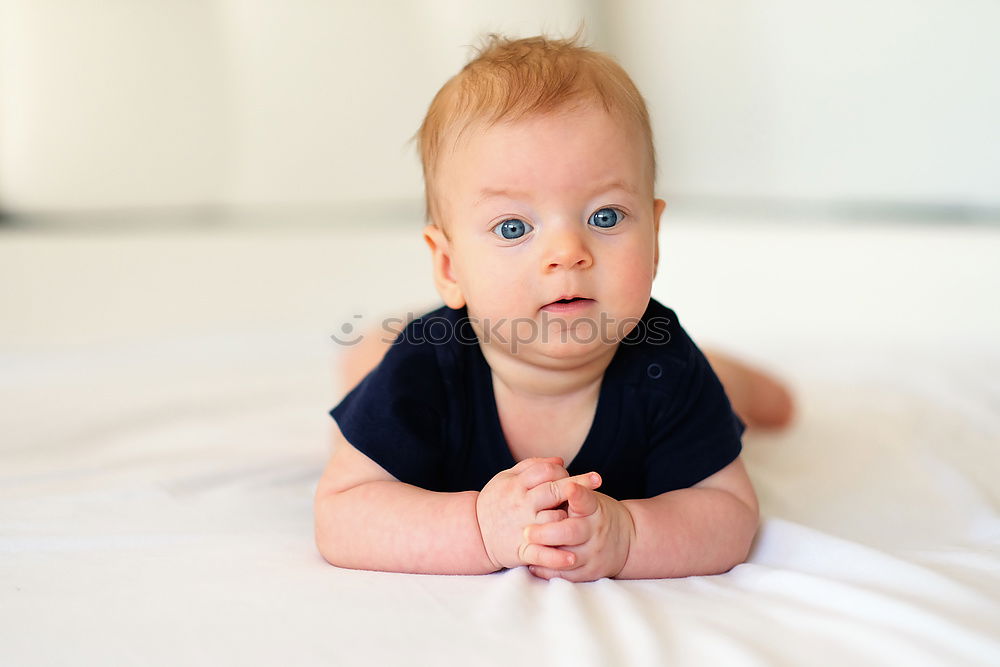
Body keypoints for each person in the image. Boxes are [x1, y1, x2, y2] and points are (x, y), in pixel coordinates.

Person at [314, 34, 794, 581]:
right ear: (450, 267)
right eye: (514, 227)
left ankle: (728, 381)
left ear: (655, 238)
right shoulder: (426, 371)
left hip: (652, 360)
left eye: (606, 217)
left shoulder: (667, 365)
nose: (568, 253)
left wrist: (630, 536)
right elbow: (342, 512)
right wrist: (480, 528)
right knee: (370, 367)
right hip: (431, 349)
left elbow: (728, 511)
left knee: (710, 390)